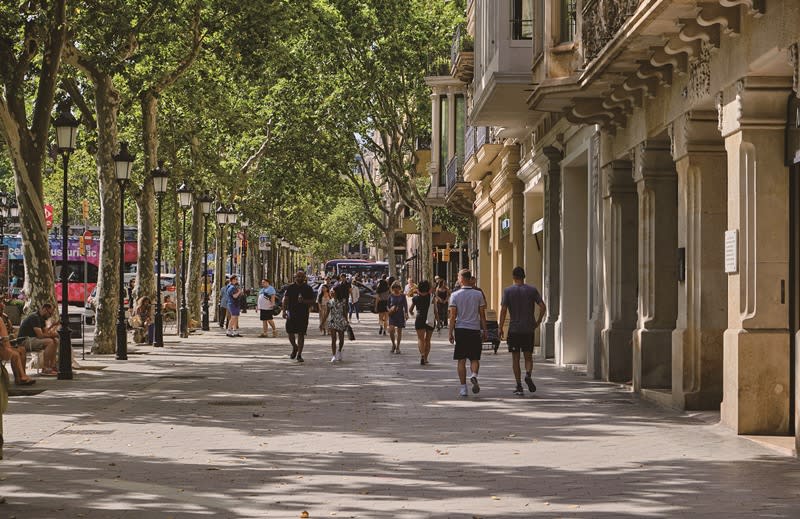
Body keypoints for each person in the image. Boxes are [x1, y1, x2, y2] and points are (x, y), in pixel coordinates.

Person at [499, 266, 547, 395]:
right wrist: (538, 321)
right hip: (528, 329)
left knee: (515, 358)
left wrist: (500, 327)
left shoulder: (508, 291)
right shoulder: (532, 290)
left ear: (513, 277)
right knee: (528, 356)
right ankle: (528, 374)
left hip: (514, 329)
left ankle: (519, 385)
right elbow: (543, 306)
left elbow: (503, 310)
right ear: (524, 276)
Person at [448, 269, 488, 397]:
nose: (458, 279)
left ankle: (463, 388)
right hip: (474, 329)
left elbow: (453, 316)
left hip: (461, 330)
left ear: (462, 279)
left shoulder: (455, 295)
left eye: (458, 277)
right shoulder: (478, 294)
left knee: (461, 360)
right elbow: (482, 315)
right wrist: (485, 329)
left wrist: (450, 332)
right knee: (475, 358)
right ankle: (474, 375)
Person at [17, 303, 59, 376]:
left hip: (33, 339)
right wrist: (54, 335)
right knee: (50, 342)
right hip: (25, 340)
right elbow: (40, 335)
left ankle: (52, 366)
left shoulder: (42, 319)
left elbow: (46, 333)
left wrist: (53, 328)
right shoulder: (35, 317)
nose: (50, 316)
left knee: (55, 341)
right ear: (45, 309)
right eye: (50, 314)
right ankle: (45, 368)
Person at [282, 270, 315, 362]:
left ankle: (299, 354)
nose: (300, 278)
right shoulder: (290, 287)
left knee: (301, 334)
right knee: (290, 332)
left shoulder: (308, 288)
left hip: (303, 314)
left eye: (301, 277)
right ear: (295, 277)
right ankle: (294, 347)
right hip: (291, 313)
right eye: (298, 276)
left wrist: (304, 301)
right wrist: (284, 311)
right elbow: (286, 299)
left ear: (304, 278)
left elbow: (313, 301)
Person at [0, 300, 34, 385]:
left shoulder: (5, 317)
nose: (1, 311)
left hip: (7, 343)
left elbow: (12, 330)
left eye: (2, 309)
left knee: (22, 350)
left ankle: (22, 376)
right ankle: (20, 377)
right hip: (2, 344)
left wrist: (13, 335)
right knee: (15, 354)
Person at [409, 279, 435, 365]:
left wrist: (412, 313)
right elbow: (435, 310)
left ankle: (422, 355)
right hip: (430, 319)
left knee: (420, 339)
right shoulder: (432, 297)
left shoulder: (415, 298)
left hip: (420, 319)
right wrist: (438, 321)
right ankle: (426, 358)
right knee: (428, 339)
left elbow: (410, 310)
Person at [327, 282, 349, 363]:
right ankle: (333, 355)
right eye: (331, 291)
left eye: (333, 291)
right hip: (332, 321)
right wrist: (322, 323)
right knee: (333, 339)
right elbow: (327, 313)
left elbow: (345, 312)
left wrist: (347, 321)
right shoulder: (330, 302)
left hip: (341, 321)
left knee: (341, 338)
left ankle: (339, 350)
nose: (331, 292)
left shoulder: (343, 301)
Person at [387, 280, 408, 354]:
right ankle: (393, 344)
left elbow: (405, 305)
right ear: (392, 288)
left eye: (397, 287)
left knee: (399, 331)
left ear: (400, 288)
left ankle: (398, 347)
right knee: (391, 330)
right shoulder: (390, 296)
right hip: (392, 315)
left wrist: (406, 313)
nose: (396, 289)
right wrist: (390, 309)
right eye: (394, 287)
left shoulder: (403, 296)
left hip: (400, 315)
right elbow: (387, 305)